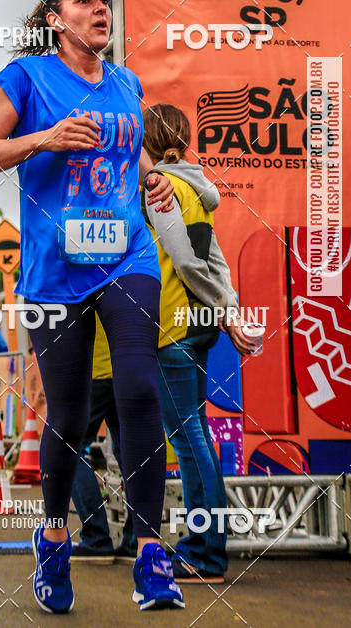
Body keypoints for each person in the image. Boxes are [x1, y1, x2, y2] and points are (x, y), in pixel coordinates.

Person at [0, 0, 184, 613]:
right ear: (56, 19)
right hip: (57, 269)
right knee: (67, 414)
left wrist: (152, 176)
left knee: (139, 388)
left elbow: (131, 145)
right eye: (84, 1)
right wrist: (47, 138)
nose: (100, 9)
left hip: (126, 256)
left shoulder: (125, 82)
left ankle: (150, 554)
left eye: (106, 0)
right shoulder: (28, 78)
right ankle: (54, 538)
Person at [141, 104, 253, 584]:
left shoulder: (160, 188)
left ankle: (206, 554)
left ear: (143, 143)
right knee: (197, 438)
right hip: (197, 325)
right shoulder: (195, 187)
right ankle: (204, 548)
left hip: (174, 328)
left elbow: (187, 264)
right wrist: (227, 311)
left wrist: (228, 312)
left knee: (189, 443)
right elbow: (217, 261)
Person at [70, 318, 136, 563]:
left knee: (69, 450)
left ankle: (97, 538)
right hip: (128, 367)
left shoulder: (81, 279)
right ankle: (135, 541)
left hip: (94, 368)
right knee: (129, 452)